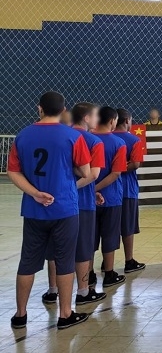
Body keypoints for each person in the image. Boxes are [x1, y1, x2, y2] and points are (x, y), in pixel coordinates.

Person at [8, 91, 92, 330]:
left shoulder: (23, 136)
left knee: (28, 261)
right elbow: (86, 171)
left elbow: (13, 171)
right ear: (63, 111)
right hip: (64, 208)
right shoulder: (73, 137)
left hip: (34, 209)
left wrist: (35, 193)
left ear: (39, 109)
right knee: (65, 260)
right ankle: (65, 314)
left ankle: (20, 314)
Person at [43, 103, 109, 308]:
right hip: (81, 203)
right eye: (96, 116)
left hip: (54, 202)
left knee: (55, 247)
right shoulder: (94, 141)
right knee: (83, 248)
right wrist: (71, 188)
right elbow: (93, 175)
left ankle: (52, 290)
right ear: (87, 118)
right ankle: (83, 292)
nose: (98, 120)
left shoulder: (59, 137)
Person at [92, 107, 128, 288]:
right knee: (110, 236)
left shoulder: (87, 139)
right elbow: (115, 174)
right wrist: (96, 188)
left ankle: (88, 274)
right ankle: (109, 273)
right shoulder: (118, 143)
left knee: (90, 237)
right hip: (111, 197)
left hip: (87, 199)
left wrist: (90, 189)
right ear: (113, 120)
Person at [114, 109, 146, 274]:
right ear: (127, 121)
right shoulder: (134, 140)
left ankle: (107, 264)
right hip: (127, 189)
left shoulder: (105, 138)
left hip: (109, 189)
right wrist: (119, 169)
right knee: (128, 227)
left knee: (109, 228)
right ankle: (129, 260)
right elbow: (135, 164)